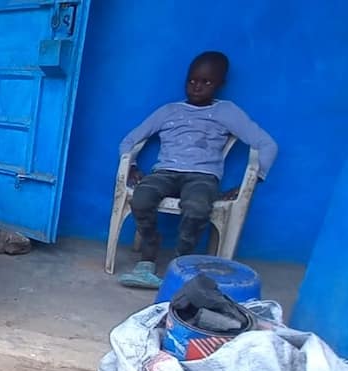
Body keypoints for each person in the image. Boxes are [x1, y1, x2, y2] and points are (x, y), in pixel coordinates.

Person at [117, 51, 278, 289]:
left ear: (220, 84)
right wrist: (131, 166)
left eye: (206, 82)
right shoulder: (169, 111)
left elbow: (267, 144)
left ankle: (180, 264)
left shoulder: (227, 111)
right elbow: (129, 140)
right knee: (140, 199)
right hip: (165, 172)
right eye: (192, 81)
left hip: (202, 177)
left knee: (197, 208)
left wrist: (254, 181)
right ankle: (148, 255)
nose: (197, 87)